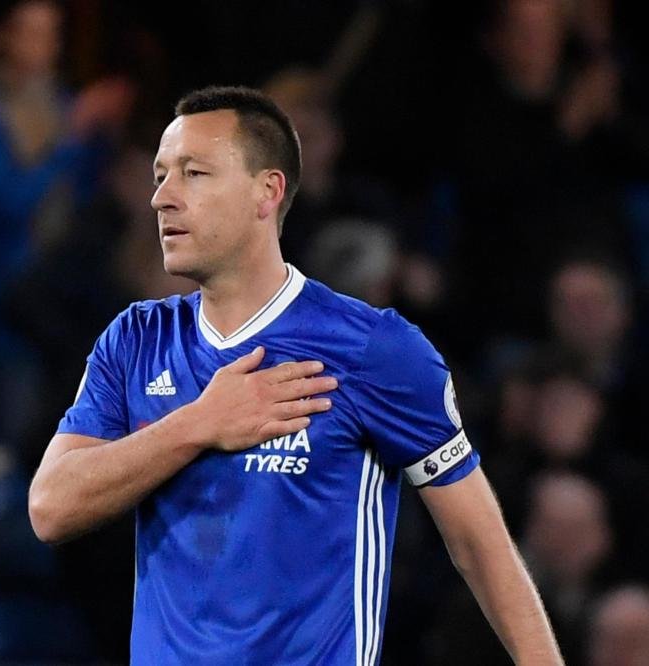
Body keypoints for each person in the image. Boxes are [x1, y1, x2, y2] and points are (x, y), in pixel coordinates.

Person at [28, 86, 562, 663]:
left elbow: (480, 546)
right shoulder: (136, 339)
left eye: (193, 174)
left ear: (268, 190)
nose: (162, 197)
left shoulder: (374, 349)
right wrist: (198, 425)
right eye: (160, 176)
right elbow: (51, 507)